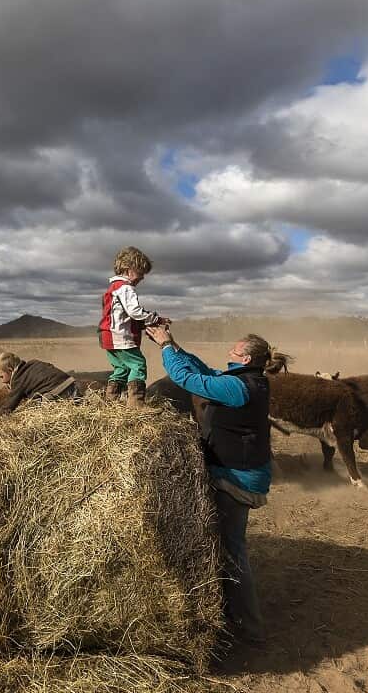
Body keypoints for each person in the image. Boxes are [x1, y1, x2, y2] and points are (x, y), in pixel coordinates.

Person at [146, 325, 287, 647]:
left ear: (246, 358)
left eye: (234, 352)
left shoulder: (239, 388)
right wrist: (176, 346)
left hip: (236, 480)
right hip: (238, 472)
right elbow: (204, 370)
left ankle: (250, 628)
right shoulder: (247, 380)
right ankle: (230, 610)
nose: (229, 354)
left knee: (231, 550)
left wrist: (166, 346)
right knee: (225, 544)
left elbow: (189, 380)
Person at [99, 246, 167, 407]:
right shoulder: (126, 288)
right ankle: (136, 404)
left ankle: (111, 401)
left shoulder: (113, 288)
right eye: (141, 272)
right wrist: (154, 317)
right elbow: (134, 312)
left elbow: (123, 316)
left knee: (121, 369)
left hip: (107, 335)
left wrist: (151, 322)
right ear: (129, 270)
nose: (142, 277)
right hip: (120, 336)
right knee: (138, 365)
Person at [0, 352, 79, 413]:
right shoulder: (34, 363)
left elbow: (9, 406)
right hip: (72, 386)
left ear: (10, 370)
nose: (2, 381)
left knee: (32, 406)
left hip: (59, 395)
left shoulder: (18, 378)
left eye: (1, 377)